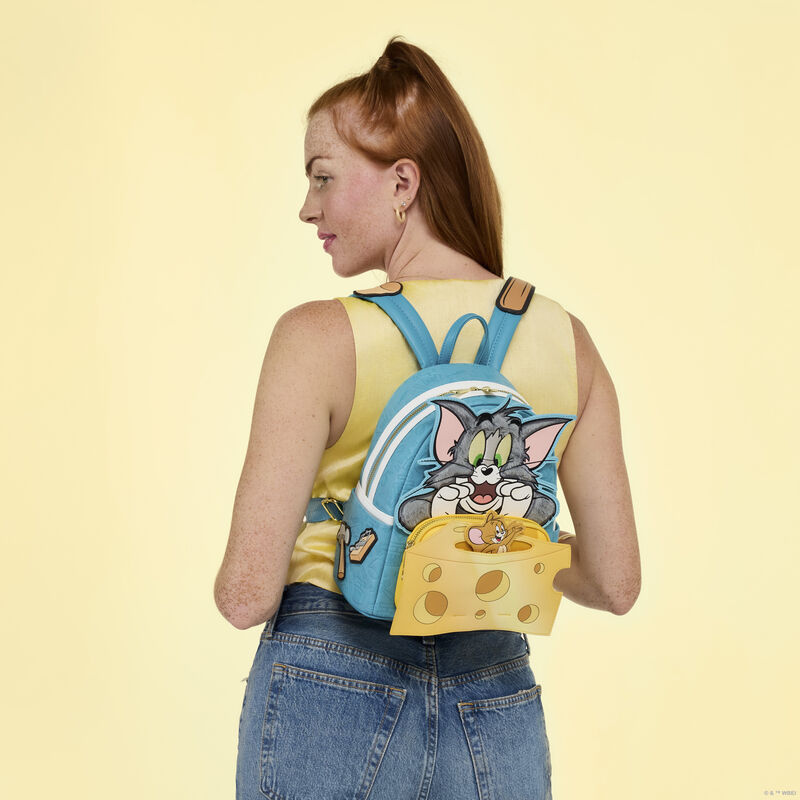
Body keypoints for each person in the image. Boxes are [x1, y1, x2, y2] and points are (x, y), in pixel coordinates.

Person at [214, 36, 640, 800]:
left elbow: (245, 596)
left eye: (322, 177)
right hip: (495, 696)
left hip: (330, 680)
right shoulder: (565, 340)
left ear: (403, 182)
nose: (308, 207)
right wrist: (485, 546)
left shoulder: (316, 338)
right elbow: (614, 582)